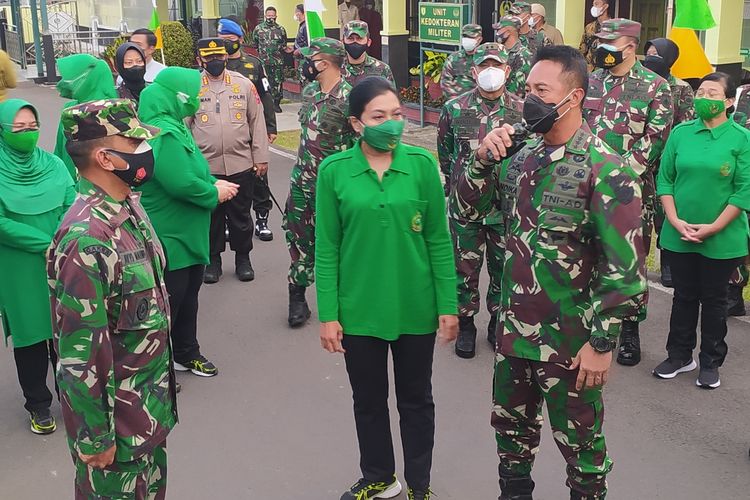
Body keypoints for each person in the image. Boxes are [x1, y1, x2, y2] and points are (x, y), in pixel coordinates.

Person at [461, 45, 645, 500]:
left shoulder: (607, 169)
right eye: (527, 90)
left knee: (583, 453)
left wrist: (602, 345)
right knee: (511, 439)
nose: (530, 100)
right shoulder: (520, 157)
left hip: (570, 344)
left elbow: (624, 271)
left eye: (542, 91)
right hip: (514, 335)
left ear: (574, 95)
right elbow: (466, 210)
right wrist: (482, 160)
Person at [316, 76, 458, 500]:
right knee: (369, 401)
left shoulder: (420, 165)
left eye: (397, 114)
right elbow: (327, 248)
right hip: (358, 311)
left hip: (415, 307)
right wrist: (328, 314)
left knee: (417, 402)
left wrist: (448, 305)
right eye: (379, 116)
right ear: (357, 124)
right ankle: (379, 475)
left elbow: (438, 239)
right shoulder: (334, 171)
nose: (391, 124)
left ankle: (419, 485)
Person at [48, 98, 177, 499]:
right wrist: (94, 437)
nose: (145, 151)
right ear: (106, 157)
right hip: (114, 434)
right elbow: (79, 352)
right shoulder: (86, 239)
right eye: (135, 142)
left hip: (146, 414)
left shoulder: (128, 210)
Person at [583, 18, 673, 367]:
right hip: (584, 189)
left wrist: (615, 177)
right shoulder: (590, 81)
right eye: (600, 41)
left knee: (628, 262)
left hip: (630, 193)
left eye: (610, 41)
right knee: (587, 256)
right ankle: (590, 324)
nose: (601, 47)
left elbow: (655, 141)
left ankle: (630, 330)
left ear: (631, 46)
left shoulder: (656, 87)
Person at [138, 67, 239, 378]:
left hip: (187, 232)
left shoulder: (176, 127)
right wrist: (214, 192)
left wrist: (211, 180)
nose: (197, 99)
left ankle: (186, 352)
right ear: (176, 96)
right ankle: (157, 366)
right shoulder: (162, 133)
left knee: (188, 296)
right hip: (171, 234)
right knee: (171, 301)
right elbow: (180, 182)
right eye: (193, 94)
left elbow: (194, 169)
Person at [653, 72, 750, 390]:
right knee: (683, 297)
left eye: (712, 93)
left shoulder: (741, 138)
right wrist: (674, 218)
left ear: (728, 101)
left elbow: (744, 189)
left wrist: (714, 227)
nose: (703, 97)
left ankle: (710, 360)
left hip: (722, 235)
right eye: (700, 92)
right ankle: (679, 355)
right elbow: (665, 179)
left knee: (715, 300)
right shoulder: (681, 133)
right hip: (678, 232)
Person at [437, 43, 523, 358]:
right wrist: (458, 185)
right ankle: (467, 325)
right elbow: (445, 155)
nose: (491, 72)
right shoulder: (454, 108)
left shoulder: (521, 109)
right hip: (466, 207)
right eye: (484, 66)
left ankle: (496, 324)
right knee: (464, 270)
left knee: (504, 270)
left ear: (507, 71)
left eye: (497, 65)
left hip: (506, 208)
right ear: (474, 71)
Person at [0, 99, 74, 435]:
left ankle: (72, 398)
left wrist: (60, 240)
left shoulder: (54, 164)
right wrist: (42, 243)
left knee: (67, 331)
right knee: (31, 336)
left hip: (62, 258)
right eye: (19, 128)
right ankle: (38, 404)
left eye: (33, 127)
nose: (28, 134)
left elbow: (71, 203)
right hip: (19, 265)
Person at [285, 38, 356, 328]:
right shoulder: (310, 91)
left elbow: (358, 145)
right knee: (299, 240)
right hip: (302, 182)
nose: (306, 64)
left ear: (324, 62)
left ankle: (343, 302)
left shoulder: (352, 97)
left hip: (335, 187)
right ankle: (297, 297)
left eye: (310, 59)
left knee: (341, 245)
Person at [190, 38, 270, 284]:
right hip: (207, 167)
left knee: (241, 217)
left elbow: (257, 122)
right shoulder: (191, 87)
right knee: (211, 219)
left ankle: (243, 259)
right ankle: (213, 261)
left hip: (240, 163)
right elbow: (184, 128)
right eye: (209, 58)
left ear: (226, 57)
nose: (215, 61)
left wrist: (261, 157)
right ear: (200, 59)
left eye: (219, 57)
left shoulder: (243, 84)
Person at [217, 19, 278, 242]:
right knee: (227, 178)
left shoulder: (254, 64)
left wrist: (270, 127)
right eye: (222, 41)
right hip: (229, 135)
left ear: (240, 40)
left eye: (229, 41)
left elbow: (265, 97)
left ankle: (262, 220)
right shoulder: (215, 65)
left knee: (259, 178)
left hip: (253, 131)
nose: (225, 45)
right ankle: (227, 223)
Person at [643, 37, 695, 288]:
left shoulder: (681, 88)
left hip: (667, 159)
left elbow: (685, 123)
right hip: (643, 160)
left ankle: (667, 265)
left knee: (664, 214)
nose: (652, 56)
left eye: (657, 53)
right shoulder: (642, 82)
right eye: (649, 52)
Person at [54, 54, 117, 181]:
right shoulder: (70, 109)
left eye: (71, 78)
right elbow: (59, 152)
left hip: (101, 191)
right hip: (70, 187)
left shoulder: (114, 112)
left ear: (88, 79)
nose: (63, 83)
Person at [252, 7, 288, 112]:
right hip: (264, 61)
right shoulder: (258, 29)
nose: (271, 18)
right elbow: (255, 44)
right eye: (269, 15)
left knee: (277, 82)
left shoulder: (281, 29)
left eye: (273, 16)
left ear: (276, 16)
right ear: (265, 16)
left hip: (277, 61)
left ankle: (276, 103)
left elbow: (284, 44)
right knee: (265, 82)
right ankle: (267, 103)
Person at [342, 20, 395, 88]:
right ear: (343, 41)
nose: (355, 42)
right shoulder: (335, 68)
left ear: (368, 42)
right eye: (350, 38)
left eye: (359, 38)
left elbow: (390, 97)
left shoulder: (383, 69)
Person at [440, 24, 483, 99]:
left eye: (471, 37)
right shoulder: (454, 58)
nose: (467, 39)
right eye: (465, 37)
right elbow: (445, 81)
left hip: (478, 104)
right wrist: (456, 102)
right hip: (457, 104)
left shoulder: (485, 59)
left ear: (479, 39)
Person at [494, 16, 532, 98]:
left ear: (508, 32)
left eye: (499, 30)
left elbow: (518, 89)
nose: (497, 33)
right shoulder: (499, 52)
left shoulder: (524, 55)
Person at [579, 0, 611, 69]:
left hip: (606, 68)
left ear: (605, 6)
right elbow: (583, 50)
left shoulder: (614, 27)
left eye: (596, 4)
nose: (594, 7)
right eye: (593, 5)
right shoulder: (589, 27)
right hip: (590, 71)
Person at [293, 4, 309, 85]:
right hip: (301, 60)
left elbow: (309, 45)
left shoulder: (306, 27)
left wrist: (299, 50)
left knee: (305, 84)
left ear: (301, 13)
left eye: (296, 12)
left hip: (305, 61)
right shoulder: (302, 26)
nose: (295, 14)